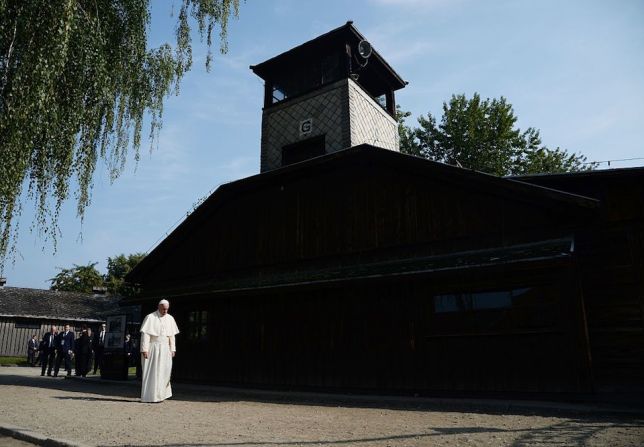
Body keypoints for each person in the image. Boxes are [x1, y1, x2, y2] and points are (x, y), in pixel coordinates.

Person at [140, 299, 180, 403]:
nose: (165, 311)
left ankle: (161, 395)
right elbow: (146, 335)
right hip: (153, 347)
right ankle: (151, 396)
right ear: (159, 307)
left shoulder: (170, 318)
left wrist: (173, 349)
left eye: (167, 309)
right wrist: (145, 349)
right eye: (163, 309)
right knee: (153, 372)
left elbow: (172, 336)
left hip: (165, 349)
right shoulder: (150, 317)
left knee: (165, 372)